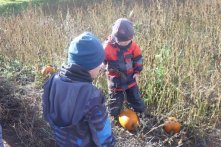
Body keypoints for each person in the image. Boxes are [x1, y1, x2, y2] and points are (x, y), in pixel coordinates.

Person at [42, 32, 115, 147]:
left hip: (61, 140)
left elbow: (46, 112)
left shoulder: (52, 80)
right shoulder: (92, 95)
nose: (102, 66)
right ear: (89, 66)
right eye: (100, 63)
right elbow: (102, 132)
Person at [103, 18, 145, 118]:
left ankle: (140, 113)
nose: (125, 44)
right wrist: (102, 64)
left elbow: (138, 58)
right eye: (122, 42)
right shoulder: (107, 47)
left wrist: (137, 70)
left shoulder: (133, 45)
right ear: (114, 37)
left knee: (135, 97)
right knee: (115, 99)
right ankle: (114, 116)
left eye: (127, 41)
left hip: (130, 77)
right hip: (115, 80)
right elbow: (101, 59)